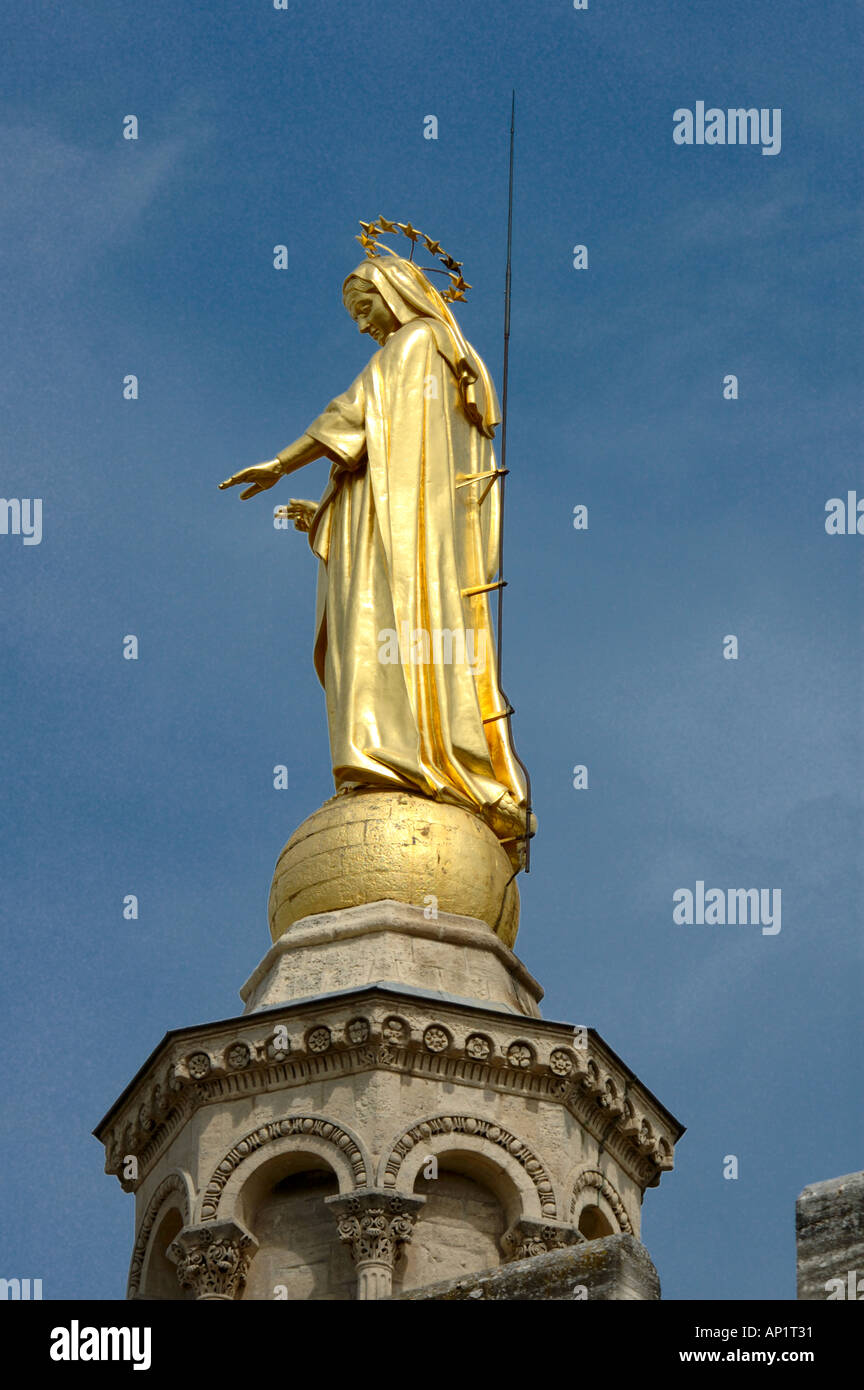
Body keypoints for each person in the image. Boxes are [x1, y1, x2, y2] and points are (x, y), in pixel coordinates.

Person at [220, 250, 532, 862]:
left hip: (406, 534)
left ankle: (407, 752)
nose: (363, 324)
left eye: (365, 307)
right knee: (367, 634)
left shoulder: (418, 341)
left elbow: (355, 421)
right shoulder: (418, 351)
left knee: (394, 630)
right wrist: (334, 507)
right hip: (381, 522)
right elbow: (374, 449)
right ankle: (383, 752)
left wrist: (281, 464)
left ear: (395, 292)